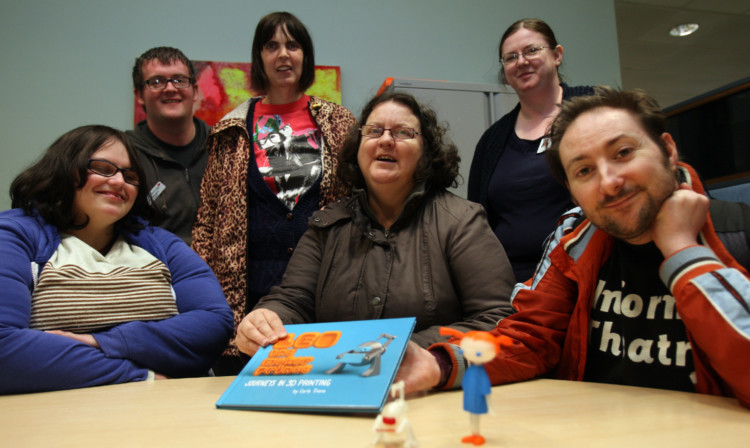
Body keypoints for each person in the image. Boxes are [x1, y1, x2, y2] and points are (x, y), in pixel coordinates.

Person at [395, 87, 750, 408]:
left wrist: (683, 252)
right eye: (584, 171)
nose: (609, 183)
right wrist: (438, 364)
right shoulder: (575, 240)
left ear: (668, 150)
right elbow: (530, 338)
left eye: (623, 152)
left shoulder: (740, 233)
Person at [234, 92, 516, 368]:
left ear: (426, 153)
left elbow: (498, 319)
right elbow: (293, 300)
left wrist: (406, 350)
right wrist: (267, 319)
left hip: (428, 397)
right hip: (339, 387)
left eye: (403, 132)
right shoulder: (326, 225)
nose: (385, 140)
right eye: (374, 131)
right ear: (358, 147)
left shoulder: (461, 222)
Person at [0, 125, 233, 394]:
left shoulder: (161, 244)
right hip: (58, 417)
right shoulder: (15, 235)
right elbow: (5, 348)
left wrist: (102, 342)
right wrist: (136, 375)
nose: (119, 182)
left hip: (170, 408)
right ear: (65, 169)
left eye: (130, 175)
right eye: (103, 168)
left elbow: (214, 324)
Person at [192, 12, 356, 375]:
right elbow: (207, 219)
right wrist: (205, 296)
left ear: (305, 56)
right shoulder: (230, 129)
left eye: (293, 45)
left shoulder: (339, 122)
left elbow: (361, 202)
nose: (283, 55)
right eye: (272, 46)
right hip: (247, 293)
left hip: (324, 287)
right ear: (259, 57)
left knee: (323, 389)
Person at [468, 18, 594, 282]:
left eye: (531, 50)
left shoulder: (595, 108)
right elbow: (478, 223)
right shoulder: (492, 141)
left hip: (587, 275)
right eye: (510, 57)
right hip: (512, 289)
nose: (521, 61)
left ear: (557, 55)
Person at [127, 46, 210, 244]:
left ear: (195, 91)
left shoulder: (225, 147)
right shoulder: (124, 156)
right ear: (139, 95)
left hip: (224, 271)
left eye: (179, 80)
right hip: (156, 271)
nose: (170, 88)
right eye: (157, 82)